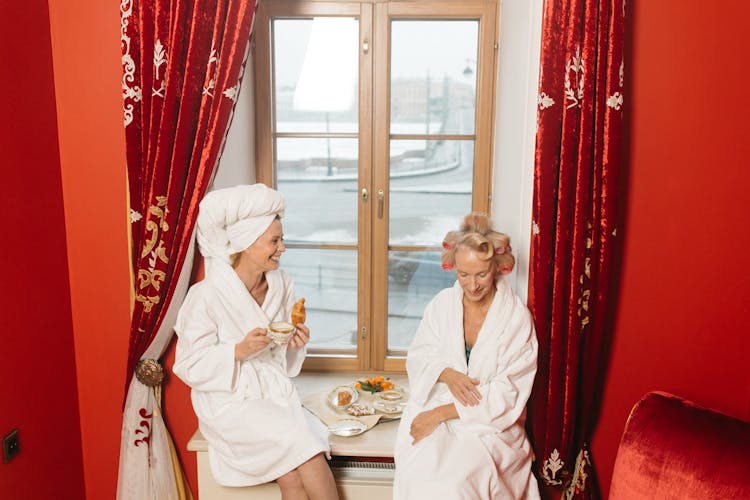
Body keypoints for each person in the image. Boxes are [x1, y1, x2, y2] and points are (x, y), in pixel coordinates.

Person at [173, 184, 339, 499]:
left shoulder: (281, 283)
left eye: (282, 239)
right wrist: (237, 351)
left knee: (290, 475)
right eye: (274, 241)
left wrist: (294, 344)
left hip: (273, 392)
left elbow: (280, 357)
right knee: (309, 450)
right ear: (247, 244)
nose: (282, 248)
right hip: (230, 400)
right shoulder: (205, 296)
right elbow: (188, 364)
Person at [393, 213, 541, 499]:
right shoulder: (441, 306)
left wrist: (443, 413)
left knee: (456, 487)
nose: (472, 286)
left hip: (490, 426)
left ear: (498, 268)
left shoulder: (515, 319)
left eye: (481, 274)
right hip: (438, 407)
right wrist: (446, 373)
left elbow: (508, 392)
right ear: (454, 269)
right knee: (420, 477)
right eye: (464, 275)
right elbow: (420, 356)